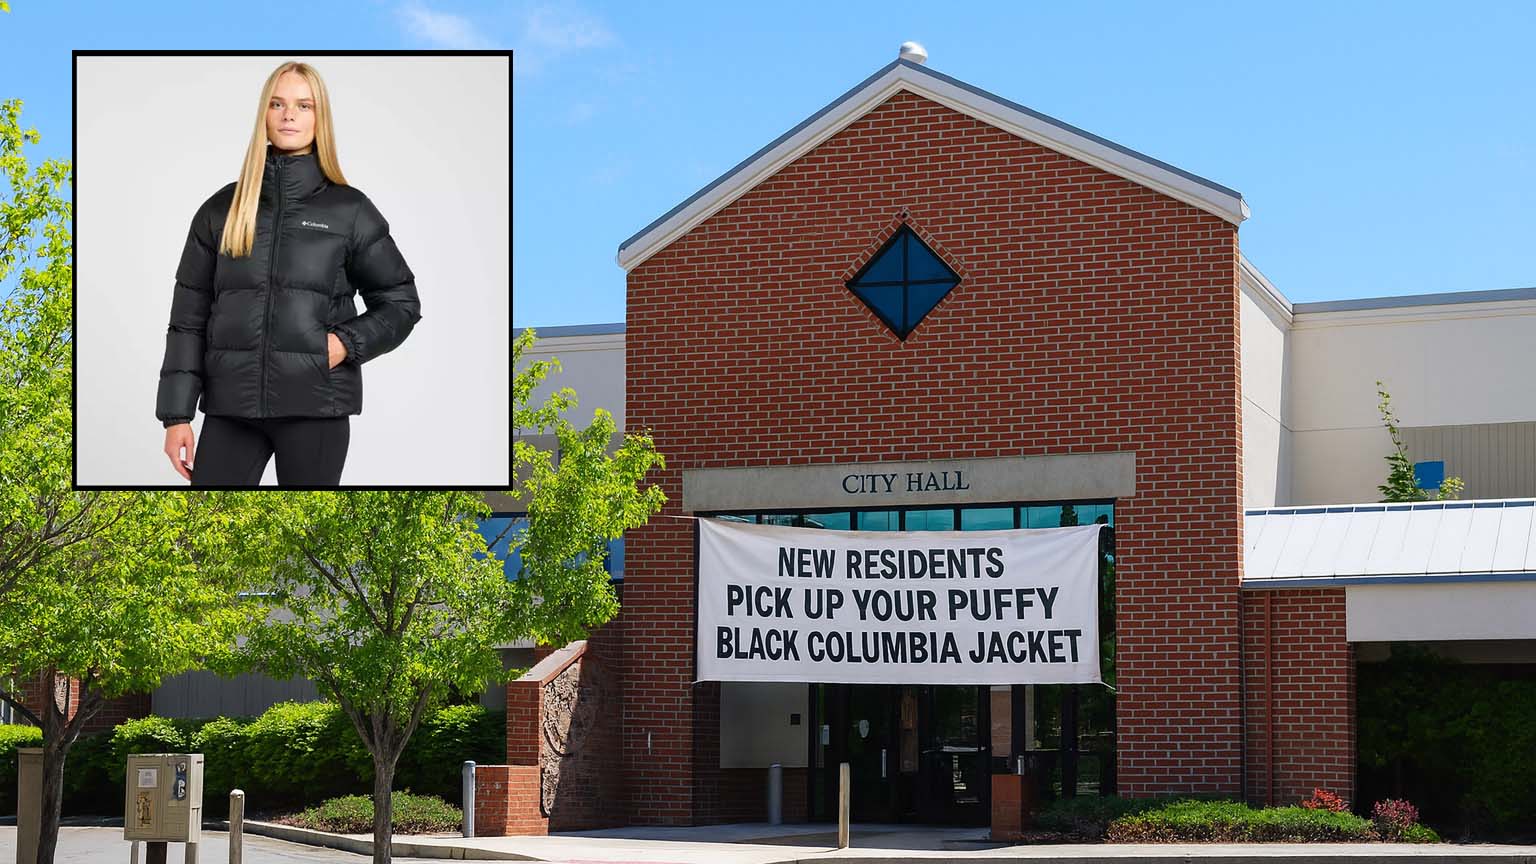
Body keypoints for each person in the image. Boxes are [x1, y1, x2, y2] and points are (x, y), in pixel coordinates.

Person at [155, 61, 422, 486]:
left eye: (303, 104)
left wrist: (342, 345)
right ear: (264, 113)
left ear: (320, 118)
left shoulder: (349, 210)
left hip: (316, 408)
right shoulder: (221, 210)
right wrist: (176, 415)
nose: (289, 114)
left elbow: (401, 303)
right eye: (277, 103)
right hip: (230, 409)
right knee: (205, 537)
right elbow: (188, 319)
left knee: (310, 544)